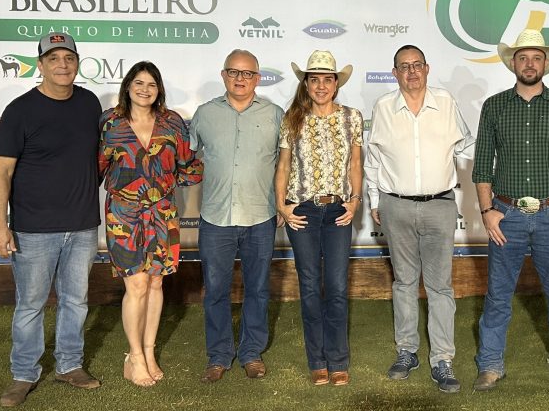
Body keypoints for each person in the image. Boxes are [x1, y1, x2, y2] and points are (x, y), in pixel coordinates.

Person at [471, 28, 549, 398]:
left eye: (536, 57)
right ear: (512, 63)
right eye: (522, 57)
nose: (529, 63)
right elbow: (481, 167)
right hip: (505, 214)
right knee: (497, 296)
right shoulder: (494, 106)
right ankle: (490, 366)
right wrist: (487, 210)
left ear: (546, 63)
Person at [0, 32, 102, 407]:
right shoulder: (20, 110)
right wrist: (0, 225)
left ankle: (70, 365)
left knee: (76, 301)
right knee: (30, 305)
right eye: (53, 59)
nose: (62, 65)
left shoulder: (89, 104)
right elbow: (2, 173)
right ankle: (23, 374)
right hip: (33, 228)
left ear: (77, 62)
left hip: (83, 225)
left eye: (68, 58)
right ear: (40, 65)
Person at [364, 44, 474, 393]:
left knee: (440, 285)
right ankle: (407, 351)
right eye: (403, 67)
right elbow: (373, 159)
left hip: (440, 205)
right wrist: (373, 199)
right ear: (394, 73)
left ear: (427, 68)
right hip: (395, 205)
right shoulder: (383, 107)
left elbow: (467, 147)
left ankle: (442, 359)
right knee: (404, 282)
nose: (411, 72)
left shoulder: (446, 103)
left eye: (416, 65)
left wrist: (502, 160)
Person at [98, 61, 203, 387]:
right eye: (139, 83)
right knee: (137, 285)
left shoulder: (171, 122)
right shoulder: (110, 122)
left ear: (159, 90)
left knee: (156, 284)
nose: (145, 89)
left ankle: (149, 349)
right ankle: (134, 357)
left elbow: (188, 167)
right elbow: (94, 167)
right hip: (124, 214)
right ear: (128, 86)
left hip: (163, 212)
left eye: (152, 84)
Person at [189, 49, 284, 383]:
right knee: (215, 289)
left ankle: (251, 353)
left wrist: (284, 203)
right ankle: (218, 355)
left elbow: (285, 165)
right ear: (224, 75)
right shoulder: (204, 114)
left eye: (247, 73)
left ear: (258, 78)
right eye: (234, 72)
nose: (240, 79)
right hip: (216, 218)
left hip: (261, 216)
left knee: (257, 288)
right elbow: (186, 159)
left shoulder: (275, 115)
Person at [275, 50, 363, 387]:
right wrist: (282, 206)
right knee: (310, 285)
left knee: (337, 286)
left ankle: (338, 359)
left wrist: (354, 202)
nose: (321, 85)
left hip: (339, 209)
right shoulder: (291, 118)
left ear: (336, 83)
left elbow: (356, 164)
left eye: (328, 79)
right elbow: (283, 166)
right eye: (315, 79)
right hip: (303, 210)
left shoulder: (352, 117)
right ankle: (318, 360)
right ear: (307, 83)